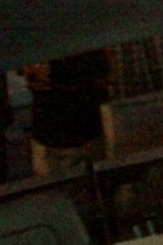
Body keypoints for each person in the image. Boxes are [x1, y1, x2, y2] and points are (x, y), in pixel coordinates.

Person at [25, 50, 111, 178]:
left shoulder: (36, 44)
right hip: (83, 126)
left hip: (55, 130)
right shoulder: (82, 41)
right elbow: (103, 72)